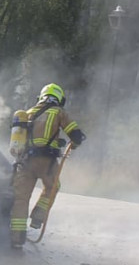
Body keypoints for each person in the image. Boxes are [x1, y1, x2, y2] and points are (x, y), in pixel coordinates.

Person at [9, 82, 86, 249]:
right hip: (46, 162)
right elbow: (76, 135)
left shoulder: (27, 113)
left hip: (24, 163)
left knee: (20, 199)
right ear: (58, 98)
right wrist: (76, 141)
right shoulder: (58, 112)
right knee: (53, 187)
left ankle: (16, 239)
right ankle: (38, 216)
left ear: (41, 97)